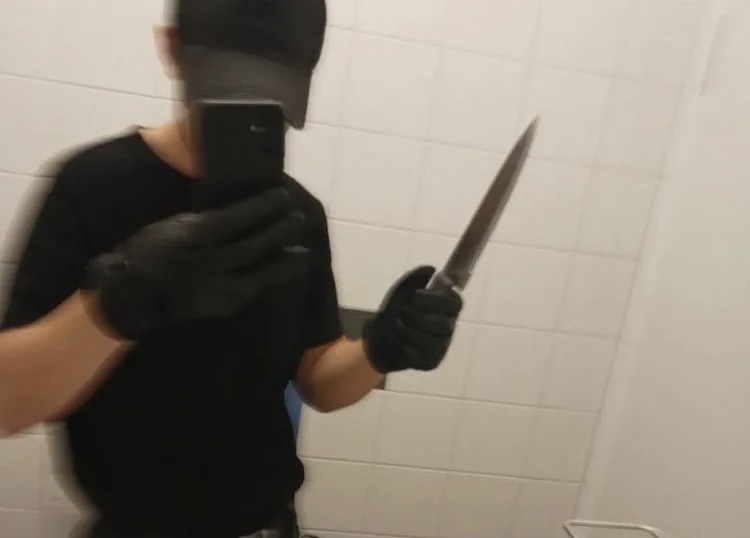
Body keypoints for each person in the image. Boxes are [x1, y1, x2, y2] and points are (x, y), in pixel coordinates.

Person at [0, 1, 463, 537]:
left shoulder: (297, 215)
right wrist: (120, 304)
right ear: (171, 49)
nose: (253, 104)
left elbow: (318, 380)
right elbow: (10, 403)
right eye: (228, 81)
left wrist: (381, 349)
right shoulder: (92, 186)